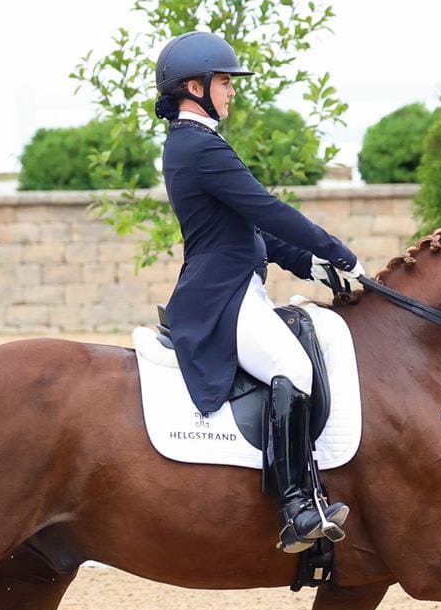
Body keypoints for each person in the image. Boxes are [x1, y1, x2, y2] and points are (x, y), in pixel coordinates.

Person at [154, 30, 368, 554]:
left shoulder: (199, 142)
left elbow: (255, 234)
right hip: (220, 295)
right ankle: (295, 506)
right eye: (223, 82)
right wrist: (339, 251)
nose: (231, 92)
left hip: (236, 284)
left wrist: (311, 266)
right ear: (192, 86)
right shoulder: (196, 144)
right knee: (292, 368)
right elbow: (267, 209)